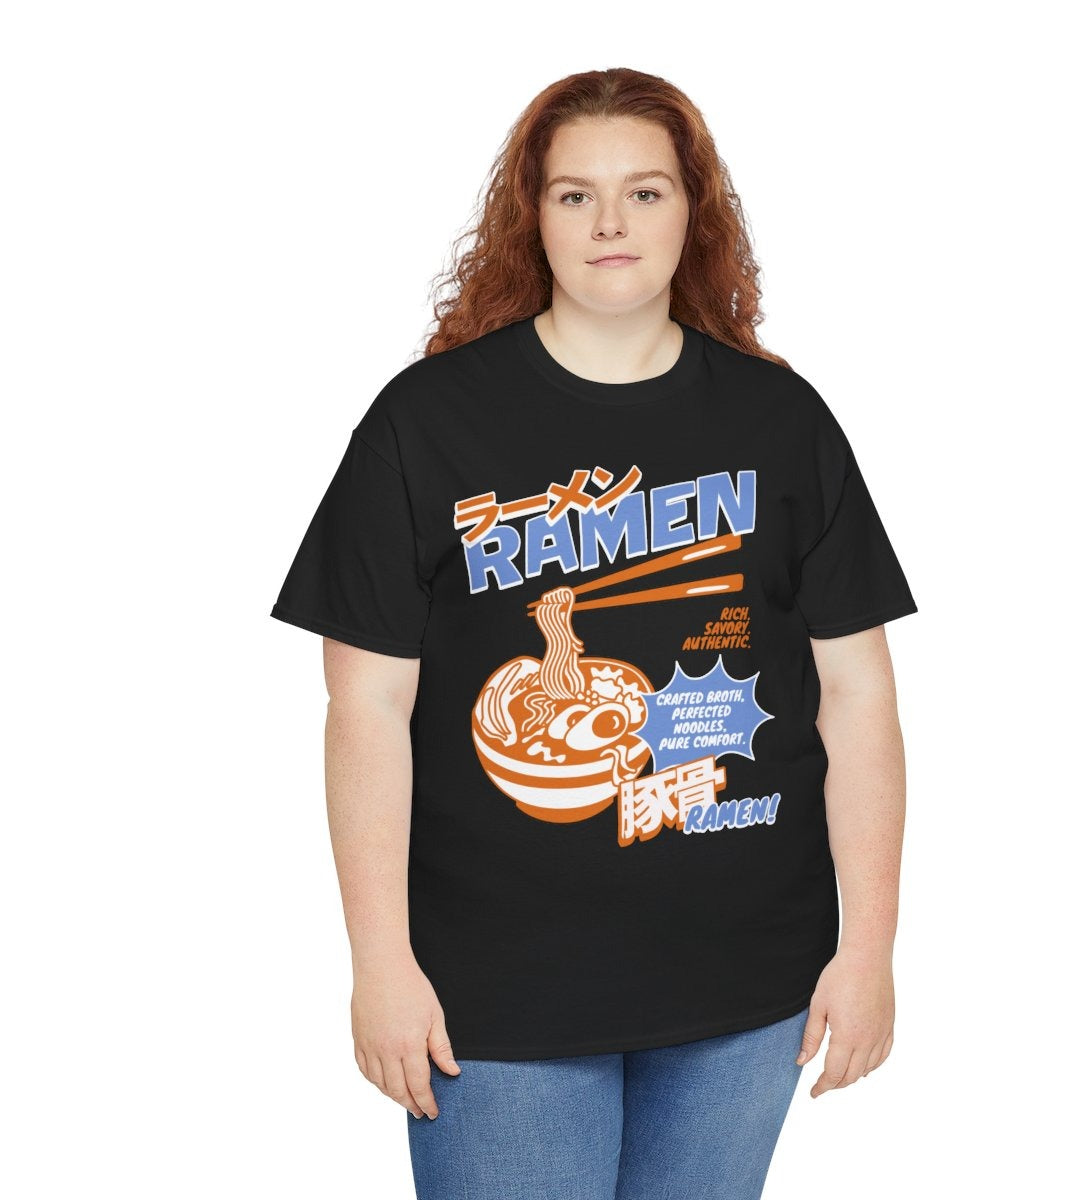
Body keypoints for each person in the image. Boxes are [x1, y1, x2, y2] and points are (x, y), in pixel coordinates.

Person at [269, 66, 918, 1200]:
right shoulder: (425, 424)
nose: (611, 223)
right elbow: (365, 706)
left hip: (745, 984)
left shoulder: (782, 420)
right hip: (495, 993)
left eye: (645, 192)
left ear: (693, 212)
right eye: (576, 195)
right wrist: (380, 962)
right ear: (535, 216)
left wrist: (868, 951)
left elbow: (858, 696)